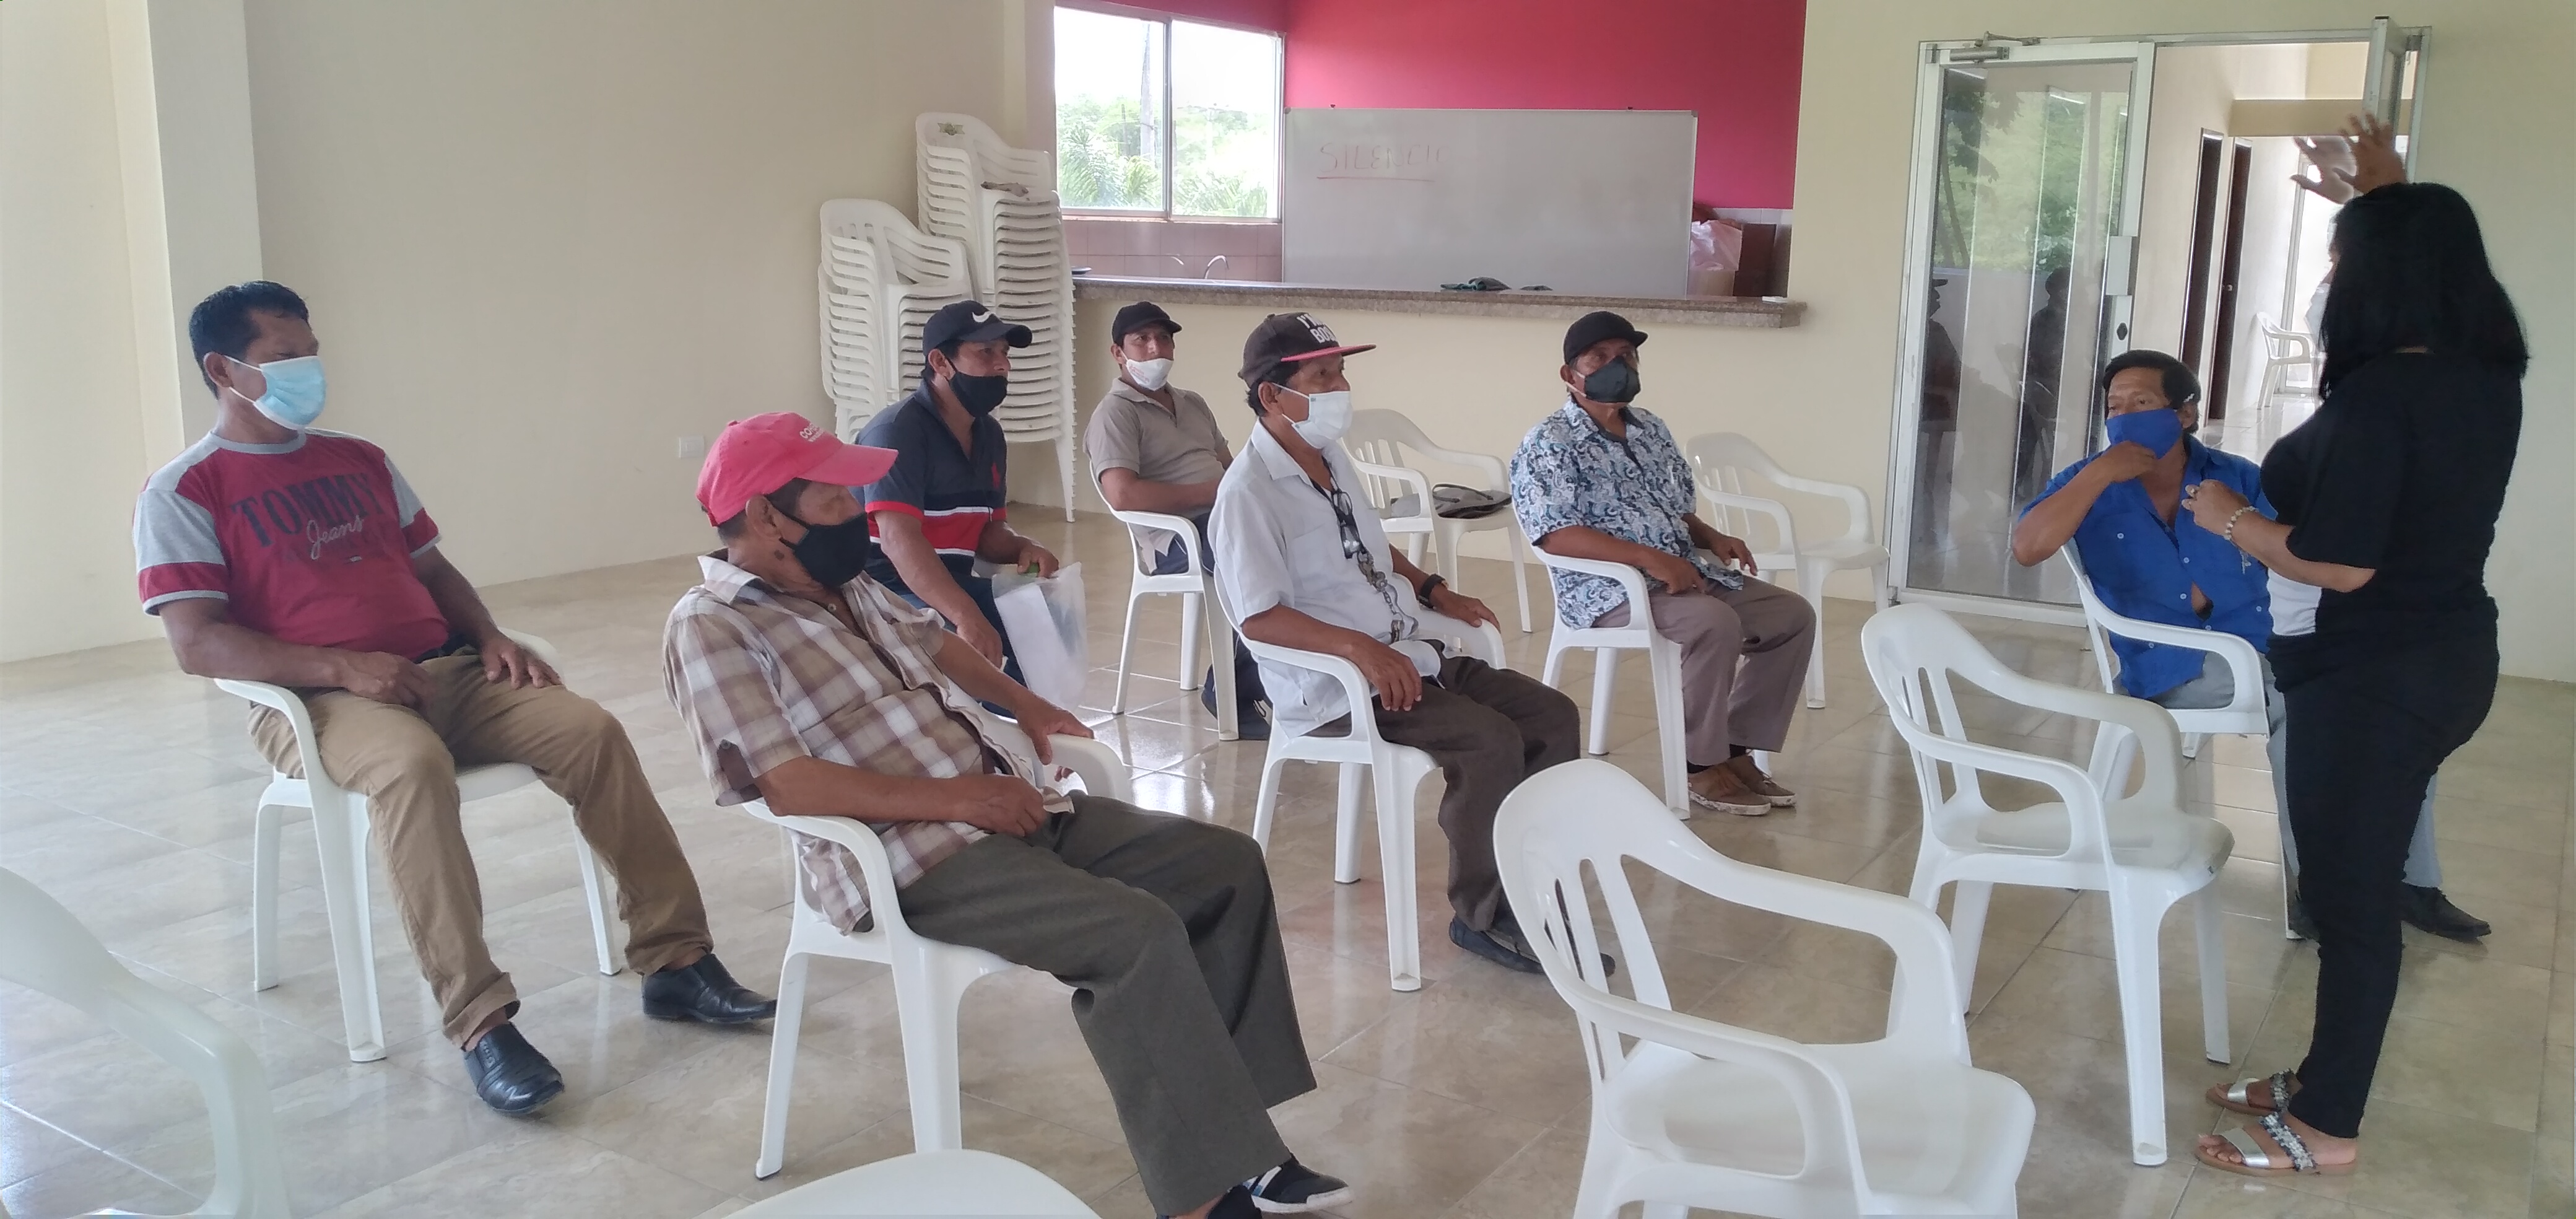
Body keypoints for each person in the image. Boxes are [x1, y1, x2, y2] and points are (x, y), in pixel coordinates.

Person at [665, 413, 1347, 1219]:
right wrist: (960, 799)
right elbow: (786, 785)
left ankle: (1244, 1144)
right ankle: (1203, 1195)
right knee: (1132, 934)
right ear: (766, 517)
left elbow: (936, 643)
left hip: (1010, 807)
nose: (857, 513)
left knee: (1224, 869)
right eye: (834, 500)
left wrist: (1029, 706)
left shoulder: (843, 583)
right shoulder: (713, 626)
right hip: (912, 859)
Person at [135, 282, 773, 1117]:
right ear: (223, 370)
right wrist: (343, 669)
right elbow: (197, 642)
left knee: (590, 731)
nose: (307, 371)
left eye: (310, 352)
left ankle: (677, 960)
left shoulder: (360, 460)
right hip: (318, 701)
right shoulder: (184, 491)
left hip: (446, 670)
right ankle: (481, 1022)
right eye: (282, 358)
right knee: (411, 766)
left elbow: (431, 568)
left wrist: (491, 635)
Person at [2185, 129, 2525, 1178]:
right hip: (2442, 657)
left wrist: (2231, 517)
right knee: (2352, 890)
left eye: (2342, 262)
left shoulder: (2384, 399)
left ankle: (2326, 1126)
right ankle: (2318, 1076)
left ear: (2378, 283)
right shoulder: (2483, 373)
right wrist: (2385, 195)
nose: (2330, 281)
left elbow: (2340, 564)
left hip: (2372, 674)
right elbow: (2430, 252)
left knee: (2351, 905)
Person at [2009, 349, 2485, 942]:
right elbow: (2028, 548)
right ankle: (2320, 889)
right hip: (2170, 665)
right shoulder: (2086, 484)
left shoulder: (2236, 477)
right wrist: (2100, 473)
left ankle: (2413, 881)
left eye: (2142, 403)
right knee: (2305, 708)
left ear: (2184, 414)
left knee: (2392, 703)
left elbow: (2300, 549)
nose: (2125, 417)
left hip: (2262, 647)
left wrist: (2242, 525)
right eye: (2115, 407)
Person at [1208, 313, 1584, 974]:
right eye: (1321, 377)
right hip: (1337, 685)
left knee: (1551, 715)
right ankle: (1484, 916)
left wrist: (1434, 589)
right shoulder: (1247, 493)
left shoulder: (1331, 458)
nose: (1340, 388)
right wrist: (1358, 650)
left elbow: (1373, 549)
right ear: (1271, 395)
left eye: (1340, 372)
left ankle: (1532, 880)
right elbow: (1258, 618)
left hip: (1406, 652)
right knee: (1489, 740)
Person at [1511, 312, 1817, 816]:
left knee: (1791, 616)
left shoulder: (1649, 428)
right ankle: (1698, 763)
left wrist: (1712, 537)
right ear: (1569, 374)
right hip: (1607, 589)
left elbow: (1673, 508)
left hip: (1683, 572)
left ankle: (1733, 746)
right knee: (1714, 622)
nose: (1617, 366)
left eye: (1626, 356)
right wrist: (1649, 559)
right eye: (1599, 358)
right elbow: (1556, 534)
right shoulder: (1549, 443)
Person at [1083, 299, 1271, 738]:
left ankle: (1287, 678)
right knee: (1259, 563)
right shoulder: (1115, 413)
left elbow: (1230, 467)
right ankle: (1233, 690)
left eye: (1164, 339)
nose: (1155, 348)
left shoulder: (1192, 403)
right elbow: (1123, 495)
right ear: (1118, 353)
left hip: (1222, 518)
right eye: (1142, 340)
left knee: (1298, 544)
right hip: (1176, 539)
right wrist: (1213, 494)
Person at [858, 299, 1059, 686]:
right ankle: (985, 720)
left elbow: (987, 533)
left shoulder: (989, 434)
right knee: (964, 648)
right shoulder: (897, 432)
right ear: (941, 362)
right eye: (986, 352)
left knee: (1043, 618)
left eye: (1004, 353)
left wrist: (1022, 547)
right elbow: (900, 542)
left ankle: (1028, 718)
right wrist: (966, 615)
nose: (1002, 365)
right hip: (885, 590)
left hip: (948, 581)